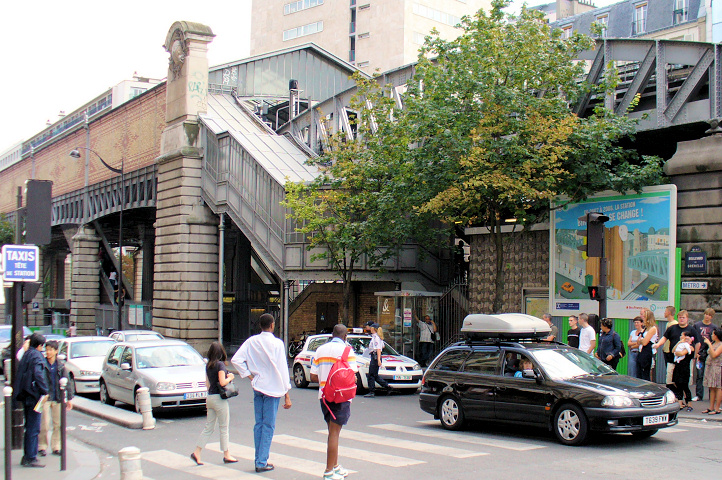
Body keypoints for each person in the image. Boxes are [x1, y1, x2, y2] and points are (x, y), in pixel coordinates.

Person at [231, 314, 292, 473]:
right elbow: (282, 369)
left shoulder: (251, 341)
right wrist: (287, 393)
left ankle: (259, 458)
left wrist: (249, 375)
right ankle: (261, 461)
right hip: (273, 388)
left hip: (258, 386)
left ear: (260, 326)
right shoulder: (277, 344)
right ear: (272, 325)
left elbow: (236, 360)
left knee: (259, 424)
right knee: (268, 426)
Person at [310, 324, 358, 480]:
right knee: (334, 434)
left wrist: (327, 379)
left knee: (332, 432)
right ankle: (329, 471)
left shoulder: (320, 350)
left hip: (324, 396)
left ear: (332, 334)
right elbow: (353, 374)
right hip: (341, 397)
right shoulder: (347, 351)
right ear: (345, 337)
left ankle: (336, 466)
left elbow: (313, 376)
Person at [191, 341, 237, 466]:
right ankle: (226, 454)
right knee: (224, 427)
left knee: (208, 428)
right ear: (221, 352)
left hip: (210, 398)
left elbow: (207, 385)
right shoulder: (220, 365)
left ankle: (197, 452)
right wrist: (231, 377)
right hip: (219, 399)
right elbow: (222, 382)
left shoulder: (208, 366)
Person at [14, 332, 48, 468]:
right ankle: (31, 457)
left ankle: (27, 455)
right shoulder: (37, 356)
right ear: (40, 345)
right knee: (34, 428)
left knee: (29, 427)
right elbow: (38, 374)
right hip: (34, 396)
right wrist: (44, 391)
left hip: (25, 395)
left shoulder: (27, 354)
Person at [38, 341, 74, 457]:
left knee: (58, 424)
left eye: (50, 350)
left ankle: (56, 446)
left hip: (58, 397)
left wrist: (69, 398)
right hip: (46, 397)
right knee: (45, 424)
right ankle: (42, 446)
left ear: (56, 351)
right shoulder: (42, 364)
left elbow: (67, 382)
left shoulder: (60, 365)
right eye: (47, 349)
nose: (48, 352)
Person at [654, 310, 699, 387]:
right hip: (672, 357)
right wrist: (658, 344)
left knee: (685, 380)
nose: (681, 319)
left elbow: (698, 343)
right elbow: (664, 338)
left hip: (686, 360)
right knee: (670, 377)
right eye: (680, 317)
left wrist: (695, 356)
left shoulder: (691, 329)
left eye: (683, 317)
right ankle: (673, 395)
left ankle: (684, 397)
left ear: (687, 318)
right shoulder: (672, 328)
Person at [693, 308, 716, 402]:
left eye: (710, 315)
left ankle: (712, 396)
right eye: (706, 314)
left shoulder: (714, 327)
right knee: (699, 374)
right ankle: (699, 395)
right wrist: (696, 352)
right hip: (700, 352)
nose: (707, 316)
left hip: (709, 352)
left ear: (712, 317)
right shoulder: (697, 325)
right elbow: (693, 338)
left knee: (711, 375)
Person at [364, 323, 390, 398]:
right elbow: (383, 346)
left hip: (375, 356)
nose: (370, 329)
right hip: (375, 356)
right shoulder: (378, 337)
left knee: (371, 375)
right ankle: (387, 386)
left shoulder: (376, 338)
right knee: (374, 375)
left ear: (374, 329)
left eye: (371, 328)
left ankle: (372, 391)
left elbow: (378, 349)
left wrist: (378, 360)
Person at [672, 332, 694, 411]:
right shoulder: (680, 345)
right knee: (678, 386)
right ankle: (680, 403)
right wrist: (679, 343)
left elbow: (681, 353)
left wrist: (676, 352)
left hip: (684, 369)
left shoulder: (690, 347)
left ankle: (689, 403)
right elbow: (673, 350)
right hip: (678, 367)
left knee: (685, 386)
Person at [702, 328, 722, 414]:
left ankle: (717, 408)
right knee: (711, 387)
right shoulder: (714, 343)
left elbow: (714, 354)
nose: (711, 335)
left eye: (713, 334)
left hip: (717, 367)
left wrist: (709, 344)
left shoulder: (720, 344)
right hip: (710, 367)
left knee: (717, 387)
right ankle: (711, 407)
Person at [636, 308, 658, 381]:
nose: (643, 319)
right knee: (639, 373)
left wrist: (641, 340)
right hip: (641, 351)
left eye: (644, 317)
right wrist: (641, 340)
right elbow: (638, 341)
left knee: (645, 373)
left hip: (647, 351)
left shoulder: (653, 328)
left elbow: (645, 342)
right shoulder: (646, 328)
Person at [661, 306, 678, 391]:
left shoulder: (674, 324)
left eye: (665, 311)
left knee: (671, 371)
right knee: (668, 370)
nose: (664, 313)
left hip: (670, 351)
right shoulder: (668, 323)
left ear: (669, 313)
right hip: (666, 350)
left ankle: (672, 389)